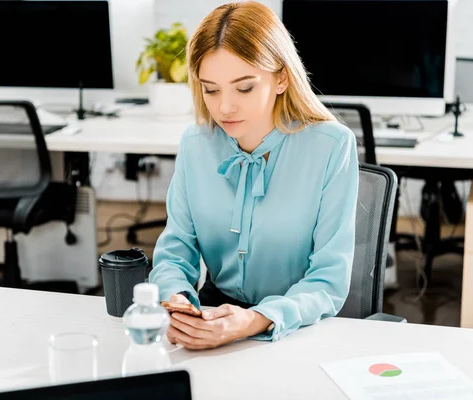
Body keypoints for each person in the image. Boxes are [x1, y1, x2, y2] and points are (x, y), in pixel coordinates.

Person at [148, 1, 359, 350]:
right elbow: (176, 250)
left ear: (281, 79)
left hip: (294, 326)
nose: (224, 107)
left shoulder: (332, 146)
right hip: (214, 316)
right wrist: (177, 300)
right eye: (210, 89)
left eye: (244, 88)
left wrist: (252, 321)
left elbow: (328, 280)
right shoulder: (196, 143)